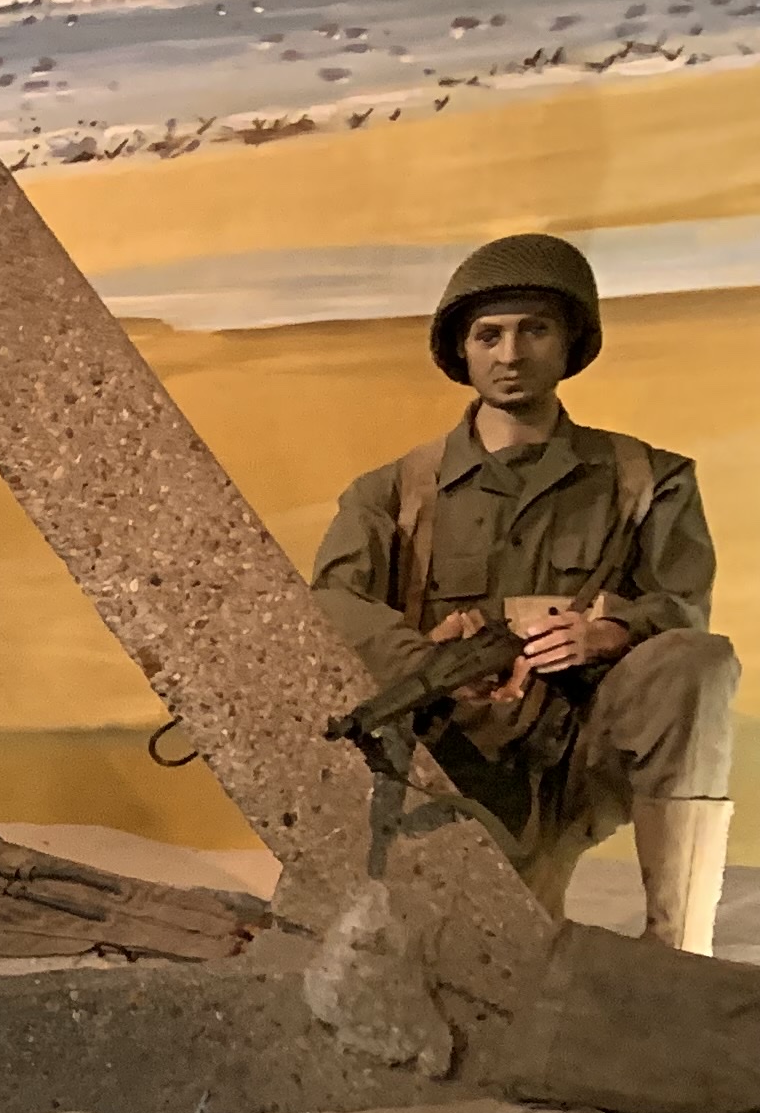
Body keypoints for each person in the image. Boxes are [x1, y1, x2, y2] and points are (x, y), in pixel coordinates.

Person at [306, 233, 735, 953]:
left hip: (582, 748)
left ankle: (681, 949)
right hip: (447, 757)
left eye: (535, 330)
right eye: (489, 335)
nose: (510, 354)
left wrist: (609, 633)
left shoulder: (648, 479)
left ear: (570, 344)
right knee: (483, 956)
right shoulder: (391, 491)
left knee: (698, 661)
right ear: (463, 351)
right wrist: (427, 662)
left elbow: (682, 603)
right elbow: (333, 603)